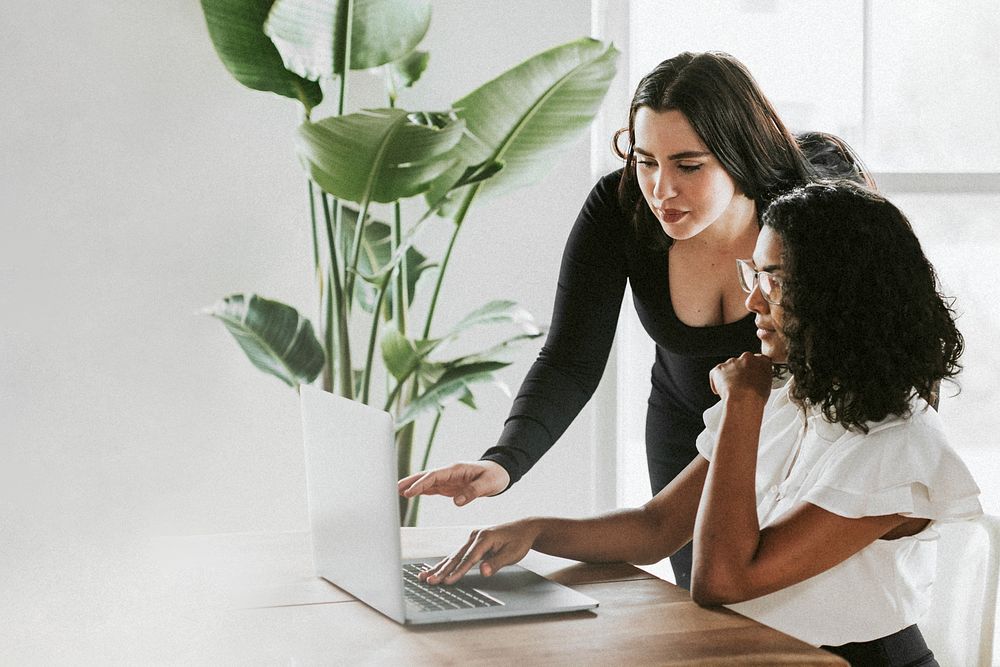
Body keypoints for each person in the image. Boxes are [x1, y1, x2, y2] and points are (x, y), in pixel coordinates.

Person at [414, 181, 981, 665]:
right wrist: (534, 530)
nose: (754, 301)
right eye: (753, 274)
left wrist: (742, 406)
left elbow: (721, 580)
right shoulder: (791, 403)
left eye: (776, 281)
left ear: (840, 297)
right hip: (753, 653)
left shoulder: (896, 446)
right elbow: (657, 526)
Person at [399, 52, 860, 589]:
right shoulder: (621, 209)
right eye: (645, 161)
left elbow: (868, 349)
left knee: (806, 606)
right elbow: (570, 358)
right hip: (688, 429)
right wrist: (504, 464)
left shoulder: (809, 216)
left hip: (798, 429)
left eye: (688, 166)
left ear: (740, 155)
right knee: (707, 607)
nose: (661, 189)